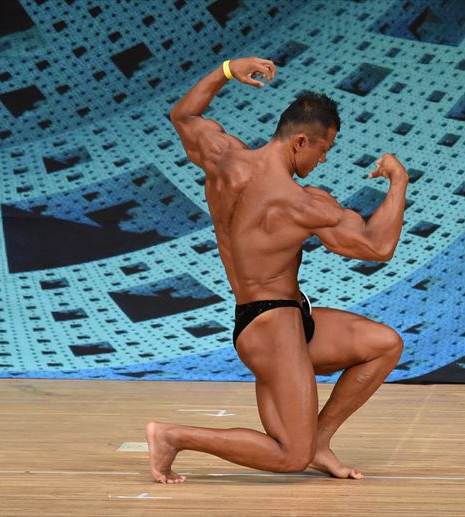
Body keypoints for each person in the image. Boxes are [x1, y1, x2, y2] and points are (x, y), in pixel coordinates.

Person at [146, 56, 409, 483]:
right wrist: (398, 182)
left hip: (272, 318)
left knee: (384, 344)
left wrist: (226, 70)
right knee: (291, 456)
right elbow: (378, 246)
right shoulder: (302, 203)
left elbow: (184, 115)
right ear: (301, 141)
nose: (323, 160)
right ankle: (173, 436)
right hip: (274, 329)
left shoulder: (224, 159)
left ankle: (319, 442)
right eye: (324, 149)